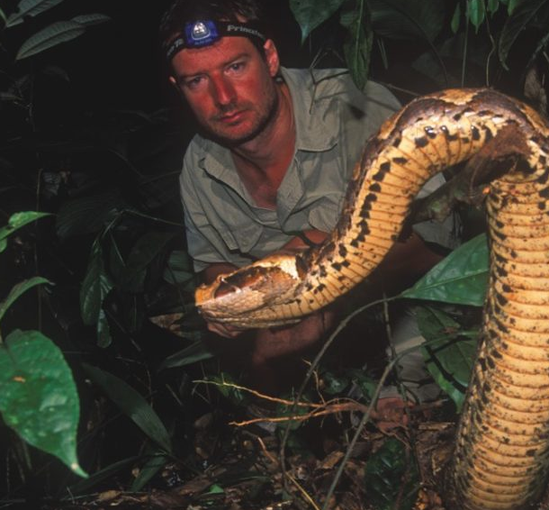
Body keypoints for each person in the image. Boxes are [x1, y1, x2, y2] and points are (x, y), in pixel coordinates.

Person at [159, 0, 457, 400]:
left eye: (235, 67)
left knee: (405, 402)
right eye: (197, 80)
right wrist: (228, 305)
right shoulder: (200, 165)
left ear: (269, 57)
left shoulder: (354, 105)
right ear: (179, 89)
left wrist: (323, 283)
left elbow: (437, 239)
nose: (224, 97)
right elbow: (214, 266)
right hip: (298, 343)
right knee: (268, 391)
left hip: (409, 308)